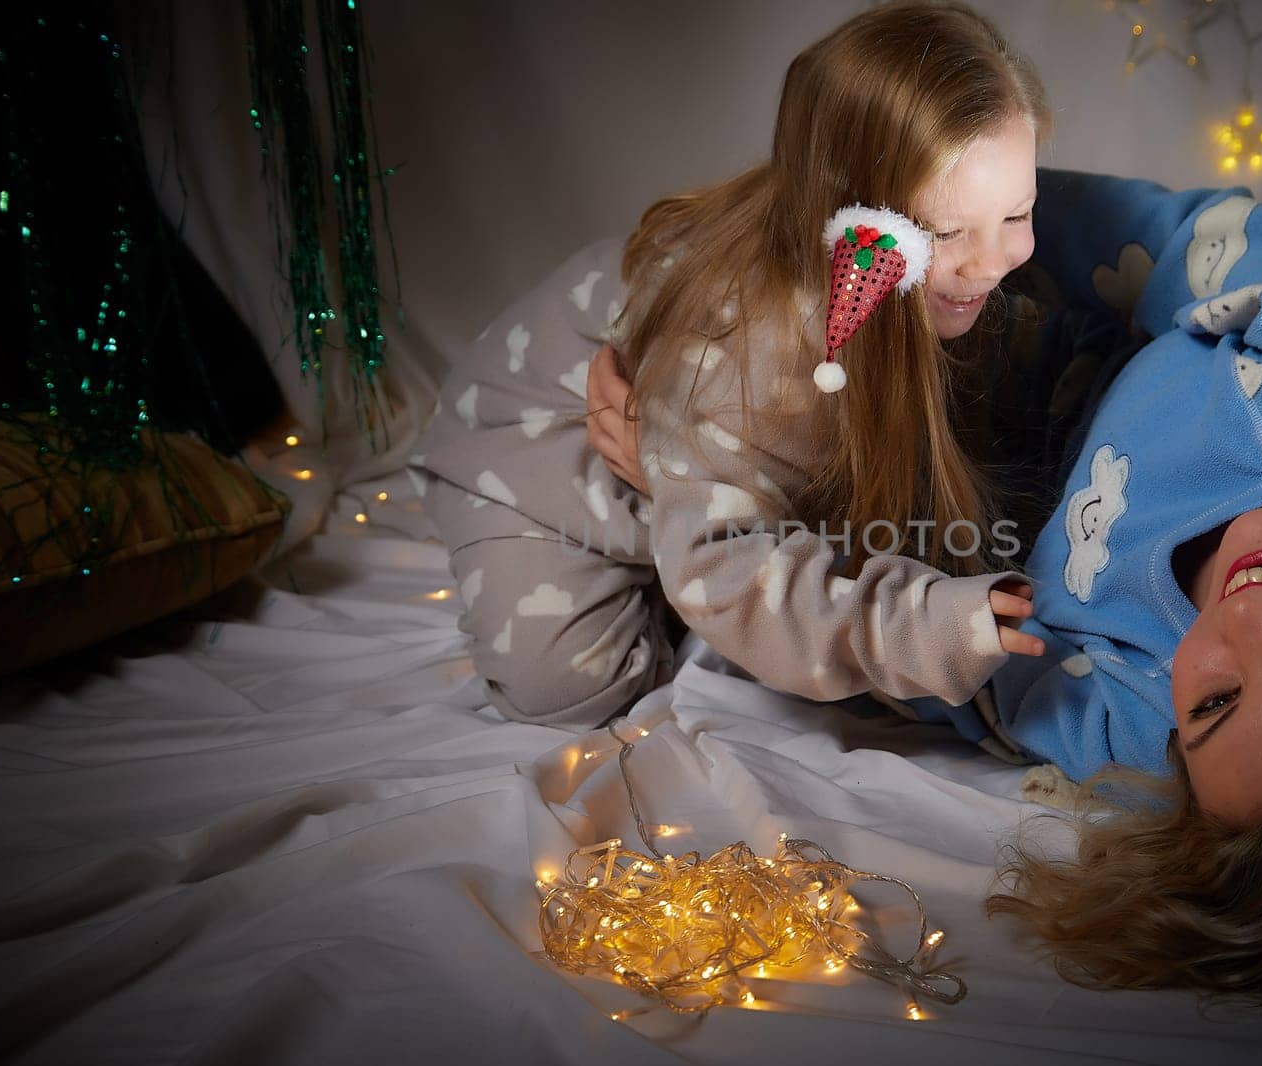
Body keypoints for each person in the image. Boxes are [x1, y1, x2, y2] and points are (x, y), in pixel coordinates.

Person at [589, 168, 1262, 1011]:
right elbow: (1141, 240)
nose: (1247, 630)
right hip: (1009, 330)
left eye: (1217, 700)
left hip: (913, 486)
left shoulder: (1138, 727)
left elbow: (907, 660)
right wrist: (906, 211)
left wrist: (698, 477)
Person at [410, 1, 1059, 731]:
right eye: (946, 232)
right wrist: (927, 626)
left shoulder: (932, 271)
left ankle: (693, 504)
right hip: (536, 456)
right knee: (569, 690)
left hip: (705, 453)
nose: (991, 262)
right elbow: (730, 573)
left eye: (1017, 213)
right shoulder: (749, 351)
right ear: (854, 218)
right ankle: (673, 525)